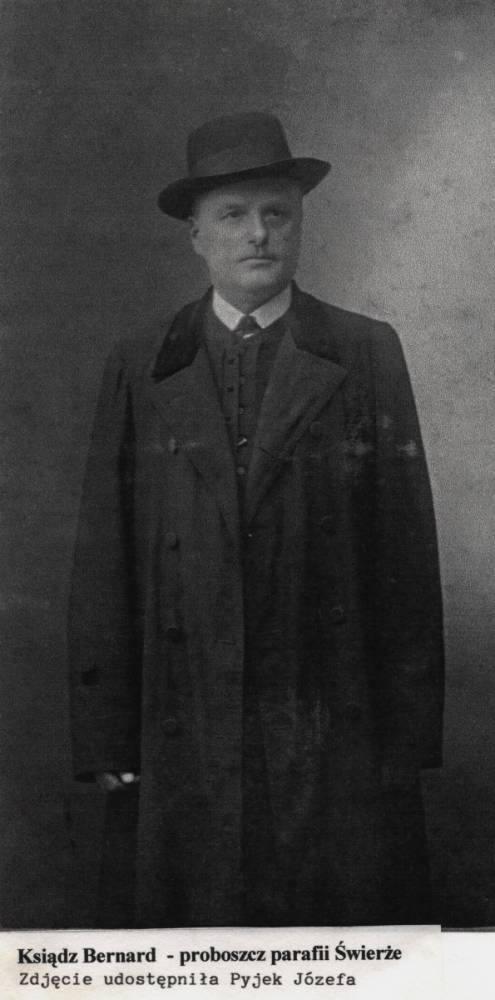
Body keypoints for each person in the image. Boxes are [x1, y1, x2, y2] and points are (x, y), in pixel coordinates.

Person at [68, 111, 444, 928]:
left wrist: (405, 741)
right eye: (233, 215)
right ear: (195, 236)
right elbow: (104, 559)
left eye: (277, 213)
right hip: (183, 714)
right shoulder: (142, 360)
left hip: (327, 713)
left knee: (333, 934)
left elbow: (404, 560)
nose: (257, 234)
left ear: (300, 224)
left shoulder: (364, 349)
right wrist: (106, 739)